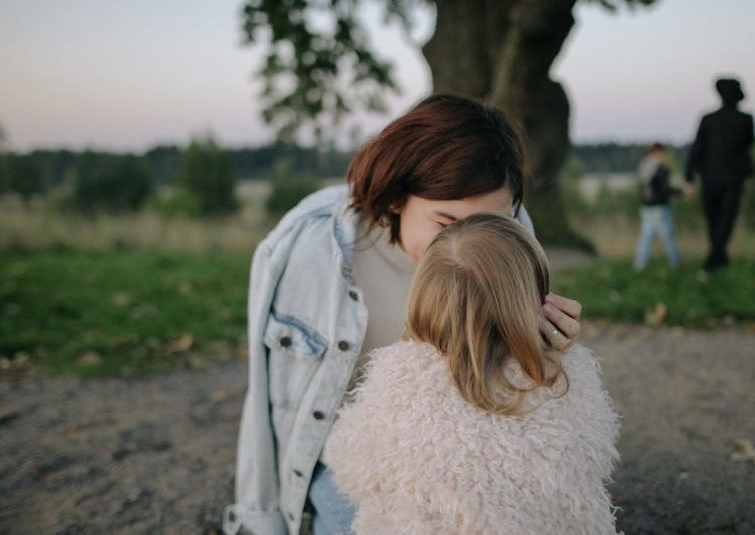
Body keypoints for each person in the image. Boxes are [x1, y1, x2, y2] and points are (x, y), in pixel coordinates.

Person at [223, 94, 586, 535]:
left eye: (493, 224)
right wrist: (260, 518)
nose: (470, 244)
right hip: (348, 461)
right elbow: (264, 401)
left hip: (461, 458)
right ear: (396, 199)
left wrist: (546, 349)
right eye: (446, 222)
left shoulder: (514, 243)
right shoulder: (307, 249)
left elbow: (511, 393)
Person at [323, 213, 621, 535]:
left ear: (425, 293)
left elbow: (348, 463)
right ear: (534, 299)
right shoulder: (563, 375)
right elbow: (597, 454)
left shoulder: (397, 372)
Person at [685, 77, 755, 272]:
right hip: (733, 178)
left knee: (715, 220)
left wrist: (689, 177)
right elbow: (749, 143)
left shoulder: (708, 119)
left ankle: (715, 259)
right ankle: (717, 259)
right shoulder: (746, 120)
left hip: (711, 177)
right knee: (725, 220)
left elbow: (696, 149)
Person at [634, 142, 682, 270]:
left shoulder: (644, 167)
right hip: (659, 207)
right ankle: (675, 261)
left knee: (646, 236)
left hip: (646, 206)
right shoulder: (658, 168)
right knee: (668, 235)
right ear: (657, 152)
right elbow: (664, 189)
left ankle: (640, 263)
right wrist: (680, 192)